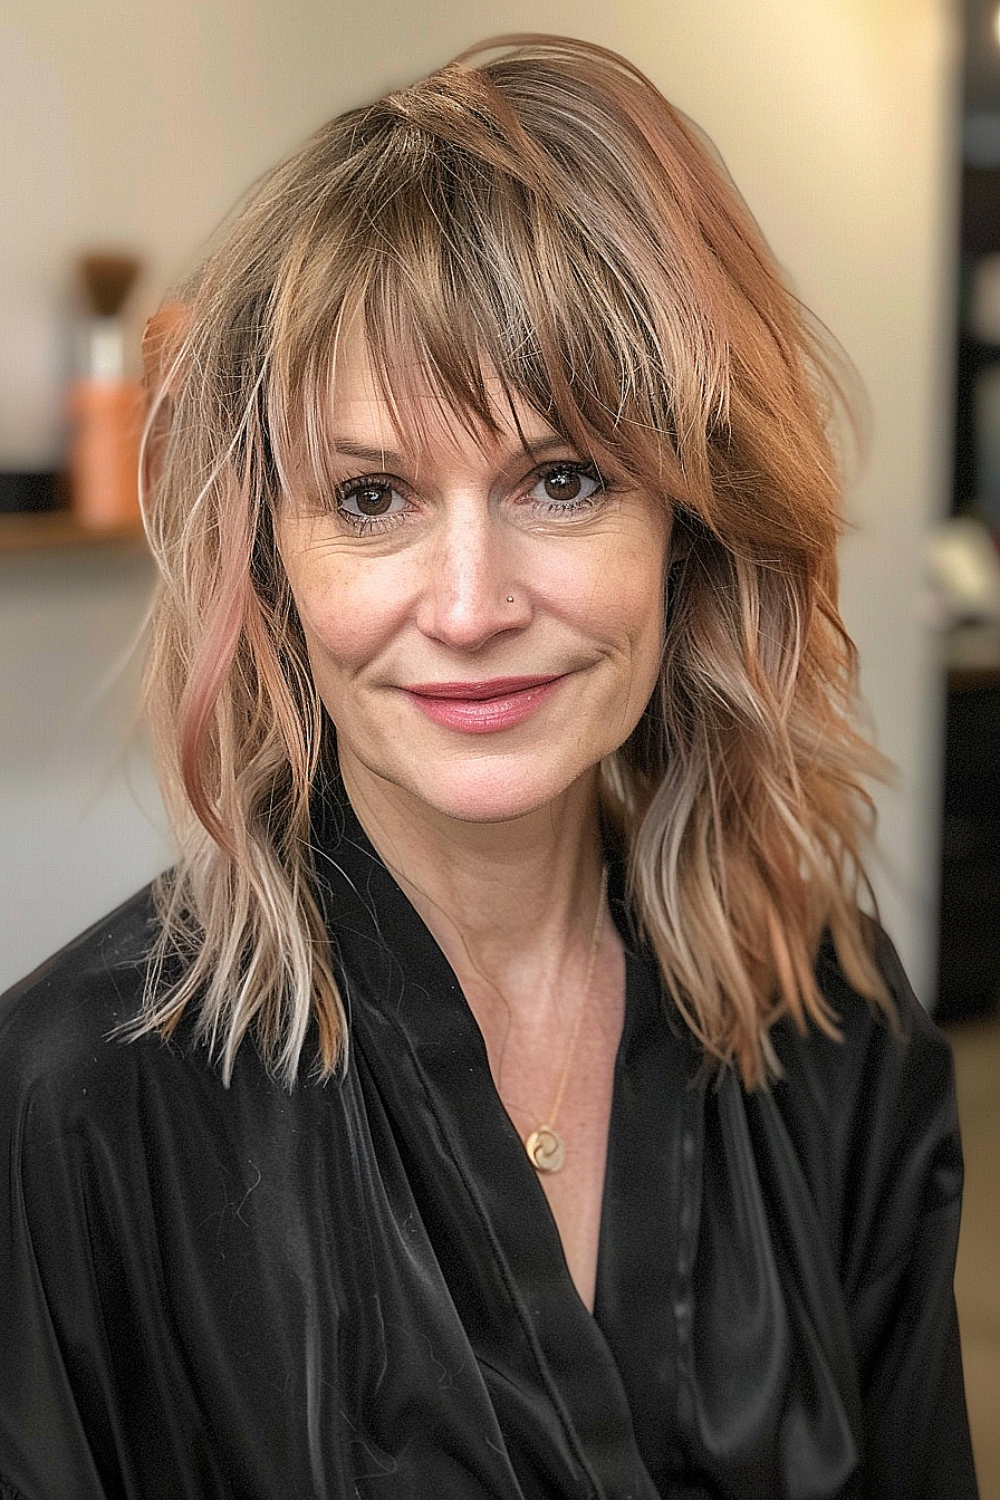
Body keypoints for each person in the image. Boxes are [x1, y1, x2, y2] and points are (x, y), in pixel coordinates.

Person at [0, 34, 978, 1500]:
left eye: (562, 480)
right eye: (372, 496)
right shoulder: (69, 1113)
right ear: (272, 558)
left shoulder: (838, 1031)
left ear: (687, 532)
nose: (467, 608)